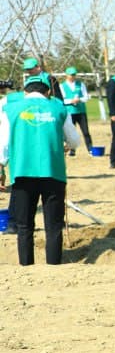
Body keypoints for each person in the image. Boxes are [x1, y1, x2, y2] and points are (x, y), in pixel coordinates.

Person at [1, 74, 81, 264]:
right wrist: (66, 145)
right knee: (53, 225)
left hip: (22, 172)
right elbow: (74, 141)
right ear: (47, 92)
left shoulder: (10, 109)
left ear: (25, 91)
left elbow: (3, 145)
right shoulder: (59, 108)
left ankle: (26, 265)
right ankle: (53, 264)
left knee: (24, 225)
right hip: (53, 172)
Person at [59, 66, 93, 151]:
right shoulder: (62, 86)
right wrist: (71, 101)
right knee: (70, 133)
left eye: (74, 74)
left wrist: (79, 99)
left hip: (81, 111)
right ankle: (71, 150)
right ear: (67, 75)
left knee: (86, 131)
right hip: (69, 112)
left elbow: (86, 96)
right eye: (71, 75)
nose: (73, 76)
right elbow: (61, 100)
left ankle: (90, 148)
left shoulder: (81, 84)